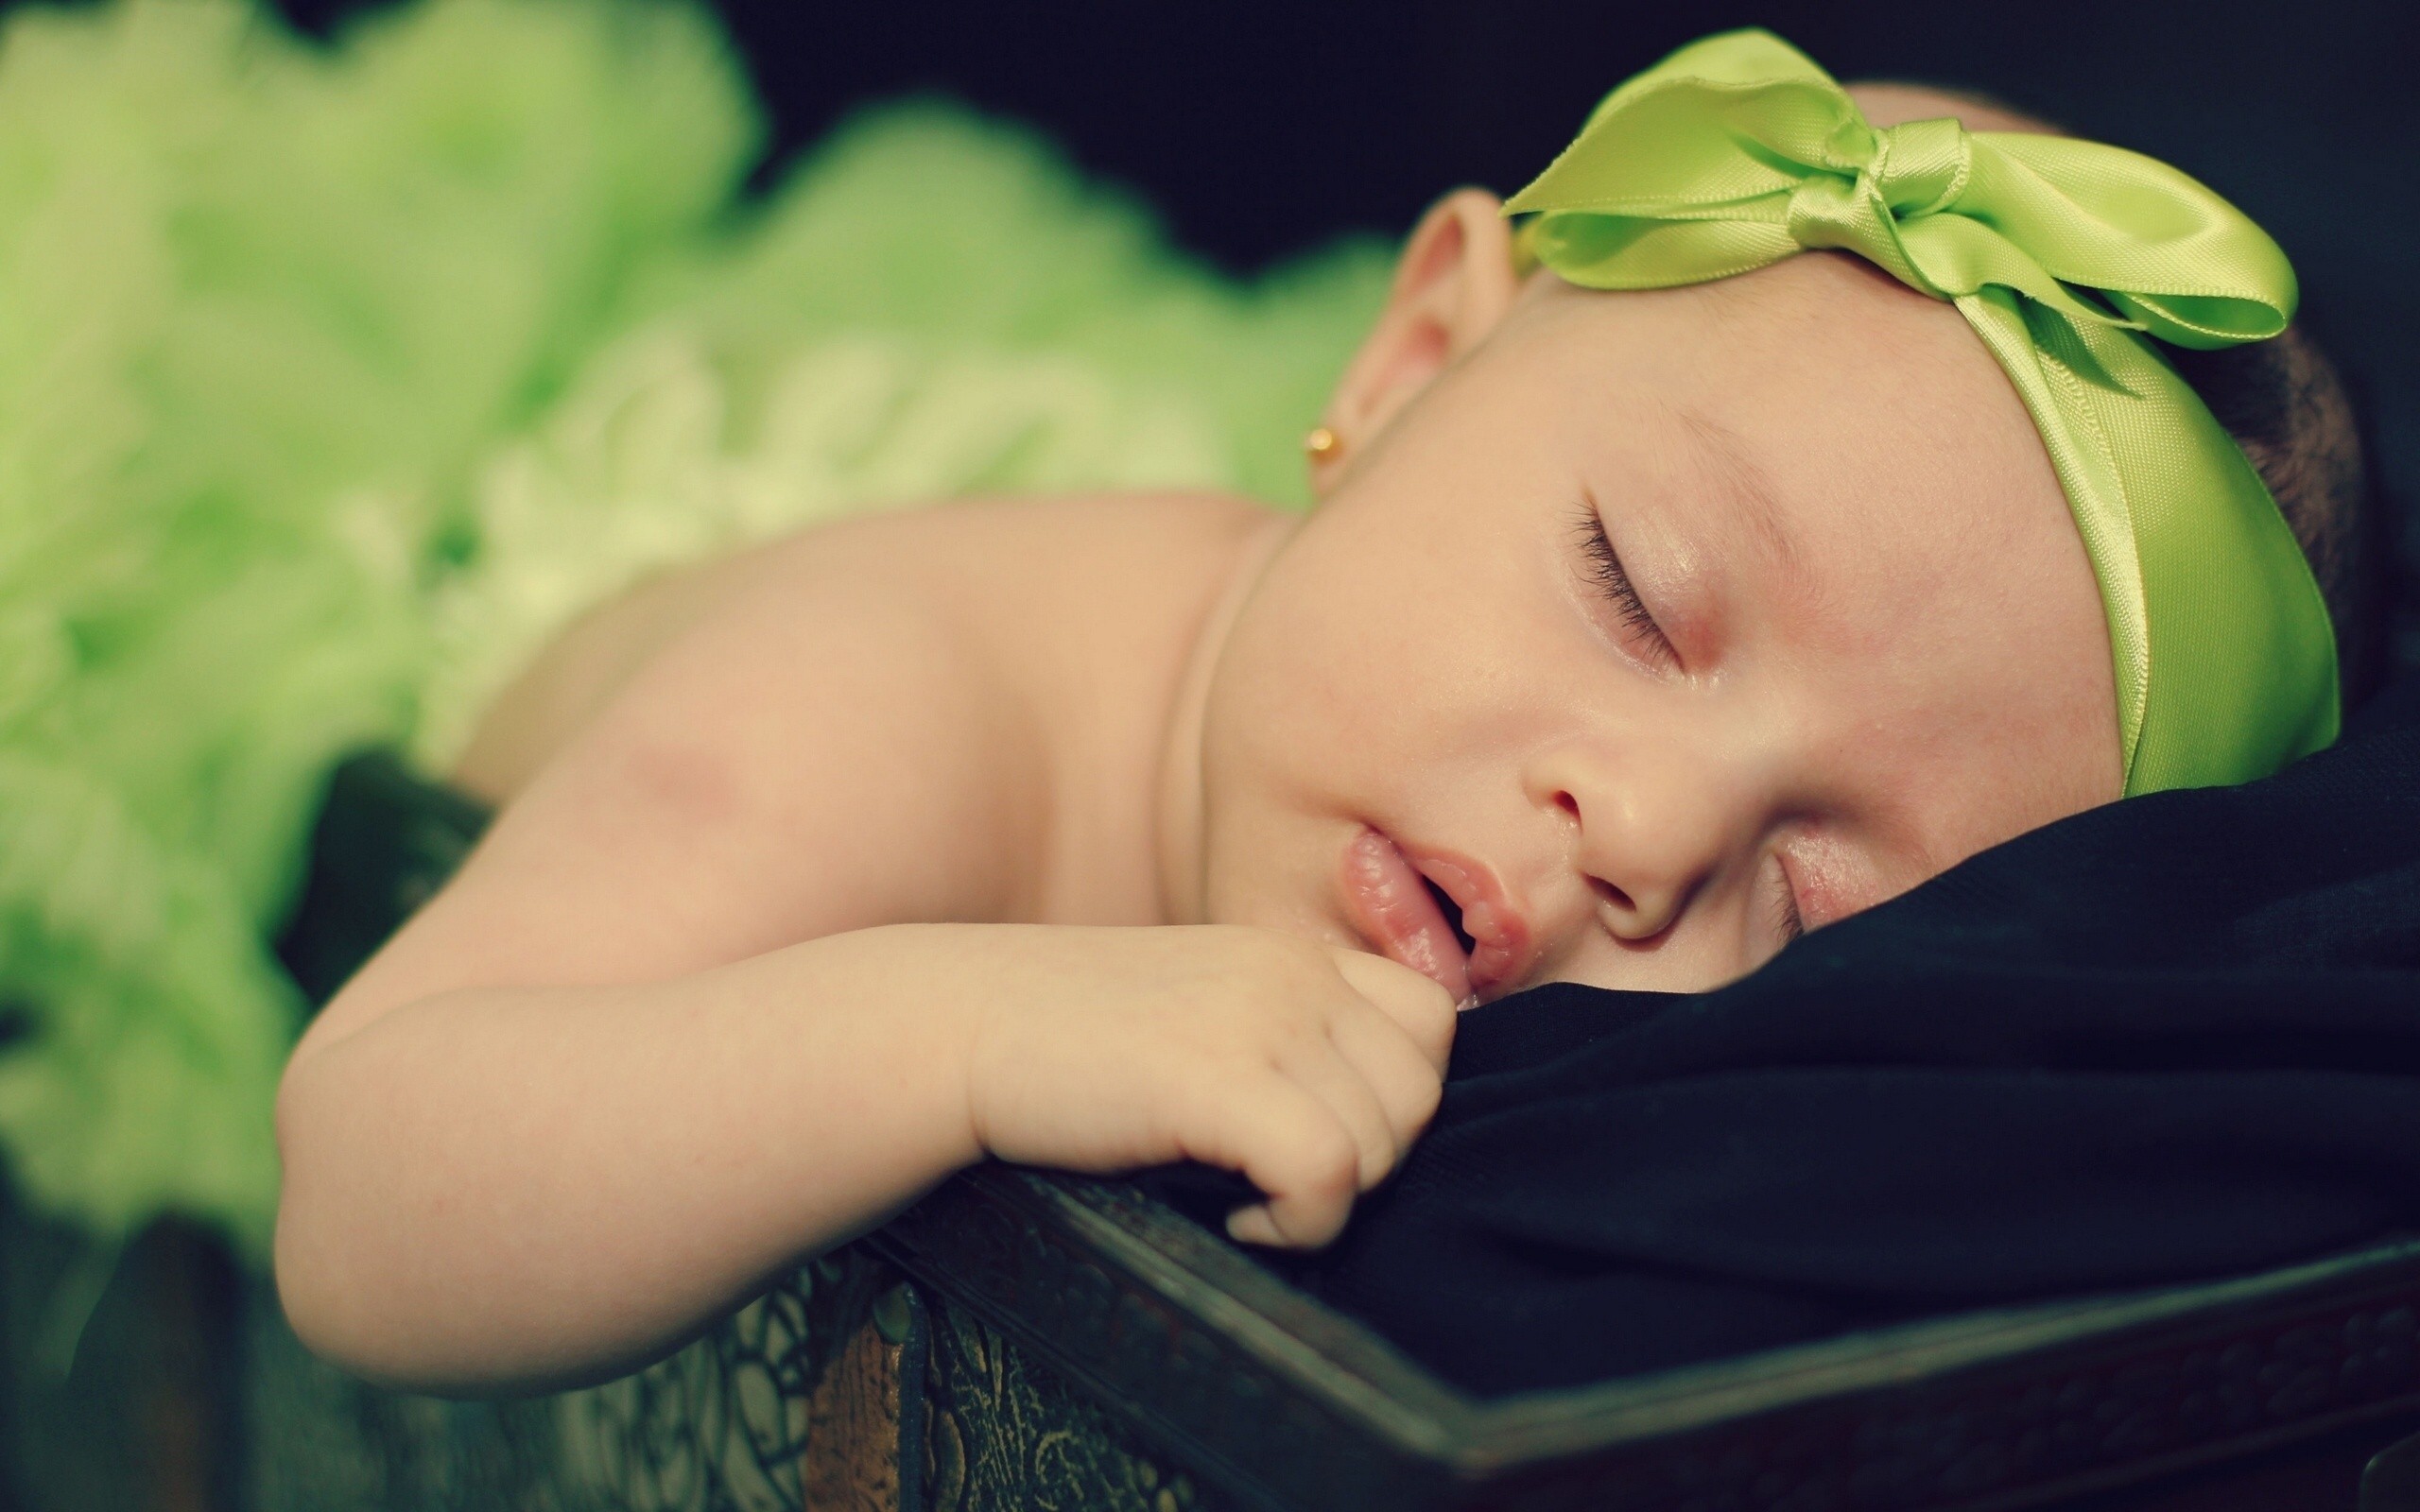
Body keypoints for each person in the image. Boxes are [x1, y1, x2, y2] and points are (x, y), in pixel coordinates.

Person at [272, 32, 2379, 1395]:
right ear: (1396, 368)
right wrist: (972, 1023)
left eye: (1820, 894)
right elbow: (368, 1176)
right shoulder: (878, 699)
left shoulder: (1429, 725)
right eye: (1634, 595)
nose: (1640, 828)